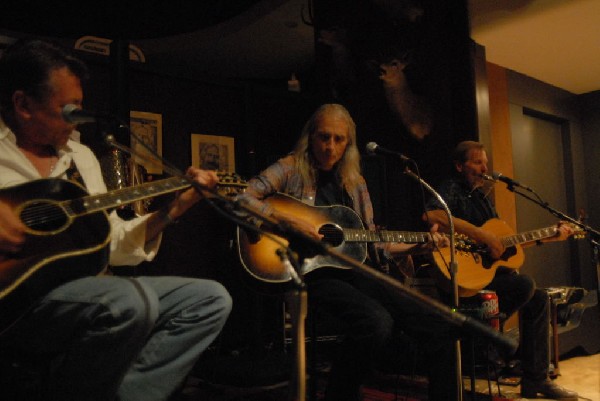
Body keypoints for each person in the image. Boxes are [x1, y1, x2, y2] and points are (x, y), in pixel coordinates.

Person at [0, 39, 232, 401]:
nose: (79, 118)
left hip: (90, 289)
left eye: (80, 108)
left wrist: (175, 209)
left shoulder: (81, 158)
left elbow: (115, 247)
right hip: (18, 302)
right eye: (68, 110)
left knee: (209, 299)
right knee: (128, 300)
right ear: (23, 104)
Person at [237, 103, 461, 401]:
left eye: (338, 139)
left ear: (349, 144)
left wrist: (422, 244)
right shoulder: (290, 167)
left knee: (440, 323)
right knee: (376, 323)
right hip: (308, 269)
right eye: (323, 137)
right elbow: (242, 196)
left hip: (353, 269)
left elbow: (373, 242)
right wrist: (289, 222)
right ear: (310, 137)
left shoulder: (355, 183)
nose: (330, 147)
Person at [422, 140, 578, 400]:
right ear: (460, 166)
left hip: (489, 277)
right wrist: (481, 235)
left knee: (538, 298)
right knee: (525, 284)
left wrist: (548, 237)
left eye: (485, 162)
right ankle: (490, 340)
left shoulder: (483, 199)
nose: (485, 168)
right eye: (477, 162)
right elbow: (432, 215)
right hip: (462, 279)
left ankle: (534, 380)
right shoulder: (451, 188)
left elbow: (503, 245)